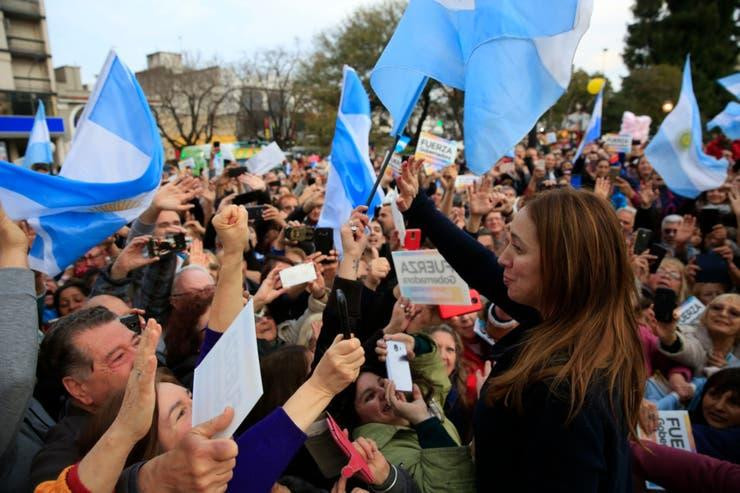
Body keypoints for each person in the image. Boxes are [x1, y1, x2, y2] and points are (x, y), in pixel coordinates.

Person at [396, 157, 645, 491]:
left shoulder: (563, 394)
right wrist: (420, 208)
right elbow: (481, 265)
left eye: (518, 247)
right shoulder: (570, 318)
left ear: (562, 268)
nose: (502, 258)